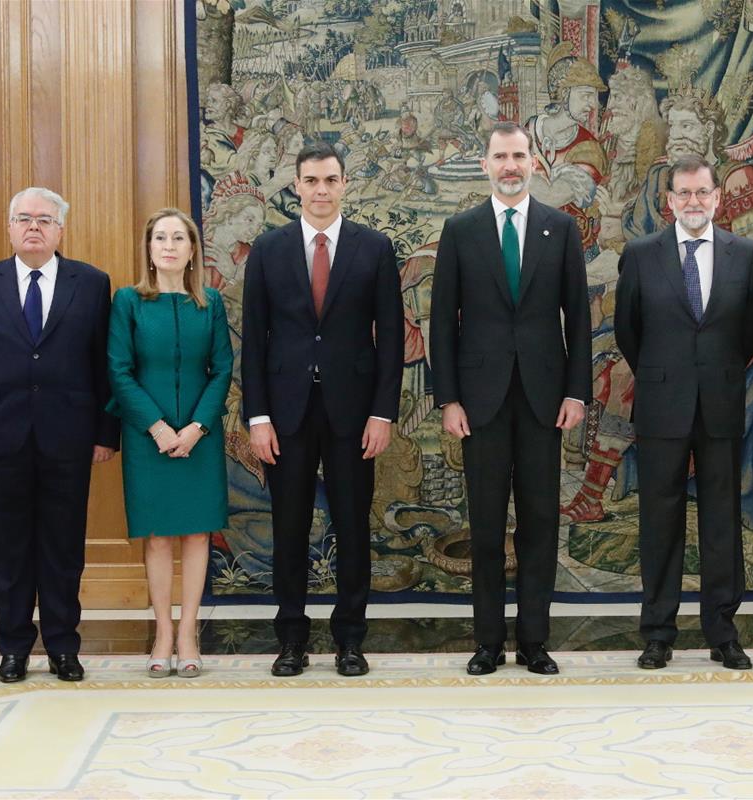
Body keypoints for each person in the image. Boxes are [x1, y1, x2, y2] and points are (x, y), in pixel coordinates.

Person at [429, 121, 592, 676]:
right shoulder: (461, 229)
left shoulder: (560, 230)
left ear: (533, 162)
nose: (510, 166)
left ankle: (534, 642)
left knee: (541, 522)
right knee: (485, 526)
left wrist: (577, 391)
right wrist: (448, 399)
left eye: (519, 156)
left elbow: (579, 316)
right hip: (479, 403)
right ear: (485, 164)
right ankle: (488, 643)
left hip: (546, 400)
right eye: (500, 156)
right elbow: (442, 323)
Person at [241, 141, 403, 677]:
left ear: (344, 184)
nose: (321, 190)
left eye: (330, 180)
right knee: (288, 526)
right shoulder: (268, 249)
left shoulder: (374, 248)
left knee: (353, 526)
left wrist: (383, 414)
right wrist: (257, 416)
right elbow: (255, 342)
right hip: (284, 415)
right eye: (311, 181)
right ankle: (290, 640)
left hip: (354, 414)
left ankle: (350, 640)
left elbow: (392, 338)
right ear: (296, 185)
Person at [0, 187, 119, 683]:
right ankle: (14, 648)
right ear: (9, 227)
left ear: (61, 229)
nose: (34, 227)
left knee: (63, 548)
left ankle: (64, 647)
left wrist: (106, 432)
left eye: (44, 219)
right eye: (23, 218)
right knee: (8, 549)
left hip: (69, 437)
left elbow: (101, 366)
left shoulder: (90, 283)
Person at [614, 155, 753, 671]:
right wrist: (664, 375)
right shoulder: (640, 254)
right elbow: (628, 331)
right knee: (660, 521)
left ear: (717, 198)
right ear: (670, 200)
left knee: (721, 519)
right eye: (684, 193)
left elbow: (747, 334)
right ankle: (658, 633)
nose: (694, 202)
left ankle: (723, 633)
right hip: (661, 406)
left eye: (703, 192)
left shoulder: (744, 254)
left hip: (722, 405)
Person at [107, 208, 233, 678]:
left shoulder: (211, 303)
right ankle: (162, 631)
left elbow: (222, 368)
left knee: (197, 534)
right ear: (149, 248)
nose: (169, 245)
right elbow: (118, 369)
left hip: (199, 436)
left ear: (193, 249)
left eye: (179, 237)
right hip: (147, 437)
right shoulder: (129, 301)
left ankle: (188, 633)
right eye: (161, 237)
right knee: (159, 537)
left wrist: (197, 426)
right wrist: (157, 427)